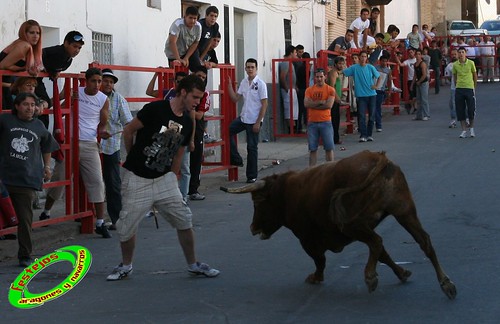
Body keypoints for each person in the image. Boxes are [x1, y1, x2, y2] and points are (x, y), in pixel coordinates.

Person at [106, 74, 220, 281]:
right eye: (195, 97)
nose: (198, 102)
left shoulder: (187, 120)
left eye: (200, 98)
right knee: (126, 225)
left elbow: (179, 151)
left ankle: (193, 264)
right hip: (137, 177)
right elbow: (129, 130)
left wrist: (172, 176)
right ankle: (126, 265)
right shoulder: (155, 109)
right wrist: (133, 157)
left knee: (184, 219)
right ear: (183, 92)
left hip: (164, 180)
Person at [39, 68, 111, 238]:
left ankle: (100, 221)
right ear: (86, 81)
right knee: (60, 178)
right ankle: (46, 211)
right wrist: (70, 100)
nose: (97, 85)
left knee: (97, 181)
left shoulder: (103, 99)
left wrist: (103, 132)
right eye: (93, 81)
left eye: (99, 81)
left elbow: (102, 124)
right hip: (70, 142)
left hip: (89, 144)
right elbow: (61, 109)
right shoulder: (75, 92)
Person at [0, 92, 59, 267]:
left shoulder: (39, 126)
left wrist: (47, 167)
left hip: (26, 178)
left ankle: (25, 254)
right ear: (17, 106)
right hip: (4, 177)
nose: (30, 108)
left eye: (33, 105)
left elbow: (47, 147)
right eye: (25, 104)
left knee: (25, 219)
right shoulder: (5, 121)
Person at [99, 69, 133, 230]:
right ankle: (92, 218)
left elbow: (128, 123)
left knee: (112, 183)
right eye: (105, 80)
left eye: (111, 82)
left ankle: (116, 219)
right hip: (91, 145)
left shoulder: (118, 99)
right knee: (91, 182)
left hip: (110, 146)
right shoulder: (91, 97)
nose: (108, 84)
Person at [227, 58, 268, 183]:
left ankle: (252, 176)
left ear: (256, 69)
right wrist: (229, 86)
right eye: (248, 67)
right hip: (243, 118)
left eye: (252, 67)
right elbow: (235, 98)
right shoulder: (244, 82)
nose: (250, 69)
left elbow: (264, 104)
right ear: (245, 68)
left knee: (252, 148)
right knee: (227, 131)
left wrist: (258, 122)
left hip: (254, 120)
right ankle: (236, 158)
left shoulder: (261, 84)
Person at [35, 30, 84, 127]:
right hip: (28, 78)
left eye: (79, 48)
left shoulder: (68, 60)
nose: (77, 50)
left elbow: (54, 68)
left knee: (44, 108)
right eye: (74, 46)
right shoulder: (58, 51)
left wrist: (53, 71)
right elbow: (41, 53)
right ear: (66, 43)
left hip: (37, 81)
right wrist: (37, 66)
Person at [0, 20, 43, 110]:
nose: (36, 36)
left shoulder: (25, 46)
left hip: (5, 87)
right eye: (32, 32)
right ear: (24, 33)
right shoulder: (24, 45)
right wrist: (24, 69)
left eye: (38, 33)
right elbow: (3, 65)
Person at [342, 51, 381, 142]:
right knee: (361, 116)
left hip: (372, 94)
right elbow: (344, 72)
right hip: (361, 95)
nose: (363, 58)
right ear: (359, 57)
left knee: (371, 116)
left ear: (366, 58)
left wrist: (376, 86)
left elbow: (379, 77)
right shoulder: (354, 68)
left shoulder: (370, 67)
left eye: (365, 56)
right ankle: (363, 135)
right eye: (362, 56)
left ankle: (369, 134)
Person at [305, 68, 335, 167]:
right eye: (317, 77)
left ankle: (330, 170)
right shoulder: (309, 90)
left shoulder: (330, 90)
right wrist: (320, 102)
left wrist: (313, 104)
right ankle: (311, 171)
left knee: (328, 148)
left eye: (321, 76)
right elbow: (306, 104)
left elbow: (329, 105)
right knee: (313, 149)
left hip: (325, 122)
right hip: (312, 122)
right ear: (314, 78)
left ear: (325, 77)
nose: (319, 79)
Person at [188, 66, 210, 201]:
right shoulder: (186, 92)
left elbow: (199, 115)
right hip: (184, 127)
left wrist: (188, 111)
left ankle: (193, 189)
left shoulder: (205, 94)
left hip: (197, 130)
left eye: (203, 77)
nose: (201, 79)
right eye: (199, 76)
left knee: (196, 159)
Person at [164, 6, 202, 71]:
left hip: (187, 51)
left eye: (195, 18)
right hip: (174, 53)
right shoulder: (177, 24)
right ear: (185, 17)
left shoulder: (198, 26)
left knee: (199, 69)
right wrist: (178, 59)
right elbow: (172, 42)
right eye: (190, 18)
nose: (192, 21)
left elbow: (196, 42)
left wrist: (186, 58)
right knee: (177, 76)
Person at [453, 47, 477, 138]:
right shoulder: (455, 65)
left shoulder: (471, 63)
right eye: (459, 52)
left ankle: (471, 129)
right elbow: (455, 76)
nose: (461, 54)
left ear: (465, 53)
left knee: (471, 109)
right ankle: (463, 130)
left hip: (469, 88)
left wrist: (474, 87)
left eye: (462, 52)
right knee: (460, 110)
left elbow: (474, 75)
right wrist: (457, 85)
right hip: (459, 88)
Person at [279, 45, 298, 133]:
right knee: (289, 110)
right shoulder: (286, 63)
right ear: (291, 53)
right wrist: (287, 89)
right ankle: (291, 130)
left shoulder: (290, 63)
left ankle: (293, 128)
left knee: (293, 111)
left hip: (292, 89)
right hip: (288, 90)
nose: (296, 55)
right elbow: (282, 76)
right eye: (295, 53)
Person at [327, 56, 345, 144]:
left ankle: (335, 138)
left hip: (335, 99)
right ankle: (334, 139)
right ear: (335, 64)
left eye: (342, 64)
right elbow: (331, 87)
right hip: (333, 100)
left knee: (336, 120)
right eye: (339, 64)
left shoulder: (336, 72)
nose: (341, 65)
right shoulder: (333, 73)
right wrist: (338, 99)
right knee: (334, 120)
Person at [395, 48, 417, 114]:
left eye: (411, 52)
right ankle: (414, 107)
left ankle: (412, 106)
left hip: (417, 79)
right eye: (409, 52)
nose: (410, 54)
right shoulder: (407, 61)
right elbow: (401, 64)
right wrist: (396, 57)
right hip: (410, 79)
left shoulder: (417, 60)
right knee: (412, 95)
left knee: (416, 95)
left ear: (414, 52)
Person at [411, 49, 430, 121]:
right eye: (417, 54)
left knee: (424, 99)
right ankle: (419, 115)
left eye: (419, 54)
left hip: (424, 83)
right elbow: (415, 75)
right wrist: (412, 84)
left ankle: (426, 115)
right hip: (418, 82)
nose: (418, 56)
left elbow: (424, 75)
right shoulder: (415, 64)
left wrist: (419, 81)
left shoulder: (423, 63)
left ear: (421, 55)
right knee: (418, 99)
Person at [374, 55, 391, 131]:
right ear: (380, 61)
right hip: (373, 89)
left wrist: (389, 90)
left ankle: (379, 125)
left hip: (381, 90)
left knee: (377, 108)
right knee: (373, 108)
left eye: (385, 61)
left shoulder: (388, 71)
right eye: (383, 61)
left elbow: (389, 81)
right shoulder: (375, 68)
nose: (384, 63)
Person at [294, 44, 308, 133]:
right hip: (303, 90)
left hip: (301, 89)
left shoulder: (299, 66)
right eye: (299, 52)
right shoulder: (299, 65)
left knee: (300, 110)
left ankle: (300, 127)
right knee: (304, 110)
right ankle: (303, 127)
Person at [444, 48, 458, 128]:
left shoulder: (464, 63)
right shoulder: (449, 66)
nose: (454, 56)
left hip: (463, 87)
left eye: (455, 54)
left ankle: (467, 119)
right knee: (452, 104)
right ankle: (453, 120)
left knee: (465, 104)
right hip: (453, 88)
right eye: (452, 55)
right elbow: (448, 77)